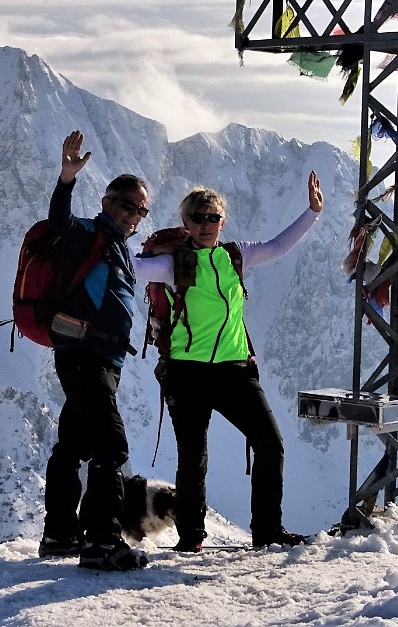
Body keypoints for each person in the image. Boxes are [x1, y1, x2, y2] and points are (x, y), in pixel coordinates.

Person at [135, 171, 324, 551]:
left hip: (235, 369)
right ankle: (191, 539)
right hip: (186, 372)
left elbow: (277, 246)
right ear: (185, 223)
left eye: (214, 217)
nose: (207, 225)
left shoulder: (235, 255)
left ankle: (267, 531)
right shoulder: (174, 264)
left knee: (270, 444)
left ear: (223, 221)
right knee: (193, 458)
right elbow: (130, 266)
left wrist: (313, 212)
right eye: (199, 218)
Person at [38, 130, 150, 571]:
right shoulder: (88, 232)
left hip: (101, 359)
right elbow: (58, 223)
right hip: (85, 356)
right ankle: (101, 541)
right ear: (107, 203)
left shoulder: (119, 248)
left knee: (73, 445)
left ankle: (60, 535)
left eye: (141, 210)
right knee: (110, 445)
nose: (134, 215)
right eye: (127, 205)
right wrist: (66, 179)